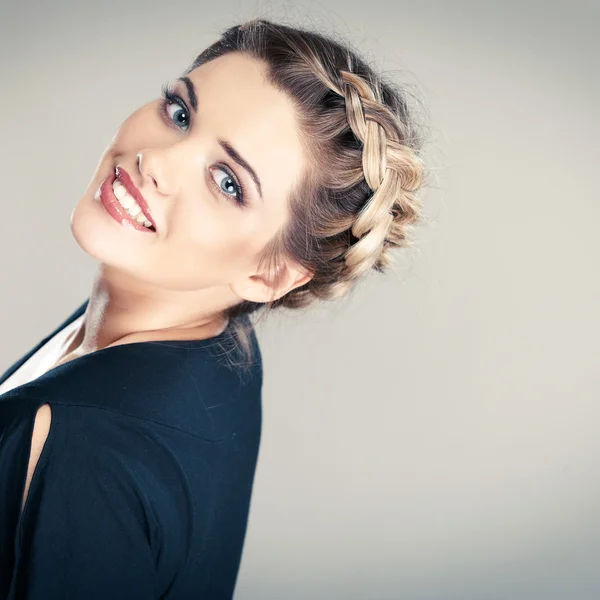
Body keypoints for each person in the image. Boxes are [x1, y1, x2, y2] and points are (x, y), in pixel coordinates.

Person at [0, 18, 427, 599]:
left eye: (227, 182)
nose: (156, 160)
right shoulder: (219, 342)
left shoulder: (83, 447)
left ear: (269, 272)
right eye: (179, 114)